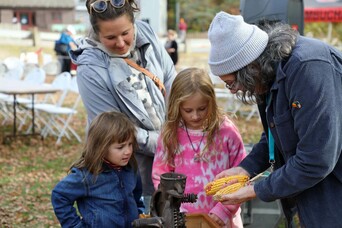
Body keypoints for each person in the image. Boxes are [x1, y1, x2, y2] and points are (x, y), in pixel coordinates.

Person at [207, 11, 342, 227]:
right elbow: (274, 133)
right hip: (306, 197)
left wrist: (256, 190)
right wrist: (246, 169)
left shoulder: (309, 69)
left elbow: (317, 158)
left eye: (232, 83)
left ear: (248, 69)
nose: (232, 91)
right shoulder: (266, 74)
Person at [70, 0, 177, 214]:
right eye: (110, 37)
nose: (120, 43)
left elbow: (169, 77)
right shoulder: (90, 70)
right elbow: (113, 130)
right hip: (129, 168)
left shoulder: (146, 32)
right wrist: (167, 143)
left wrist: (180, 125)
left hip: (170, 154)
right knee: (142, 214)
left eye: (125, 33)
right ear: (96, 33)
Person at [152, 67, 247, 227]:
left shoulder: (226, 132)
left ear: (211, 101)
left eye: (202, 109)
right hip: (183, 219)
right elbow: (160, 175)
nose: (195, 116)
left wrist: (224, 210)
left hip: (222, 219)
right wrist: (173, 207)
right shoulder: (170, 134)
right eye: (188, 110)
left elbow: (242, 177)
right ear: (177, 105)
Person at [51, 111, 144, 227]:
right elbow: (59, 196)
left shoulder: (131, 168)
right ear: (102, 147)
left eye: (130, 144)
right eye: (120, 147)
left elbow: (136, 195)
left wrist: (139, 214)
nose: (128, 151)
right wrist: (75, 225)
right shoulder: (87, 175)